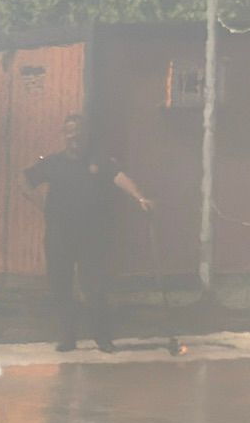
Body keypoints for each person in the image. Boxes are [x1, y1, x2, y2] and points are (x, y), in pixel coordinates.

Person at [24, 113, 154, 353]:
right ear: (65, 135)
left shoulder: (99, 161)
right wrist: (41, 204)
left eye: (79, 133)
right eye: (71, 133)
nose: (75, 137)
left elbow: (120, 178)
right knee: (61, 287)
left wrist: (140, 197)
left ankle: (102, 338)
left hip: (91, 236)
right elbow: (25, 181)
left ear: (85, 136)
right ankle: (67, 339)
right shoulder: (53, 163)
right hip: (59, 236)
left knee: (95, 287)